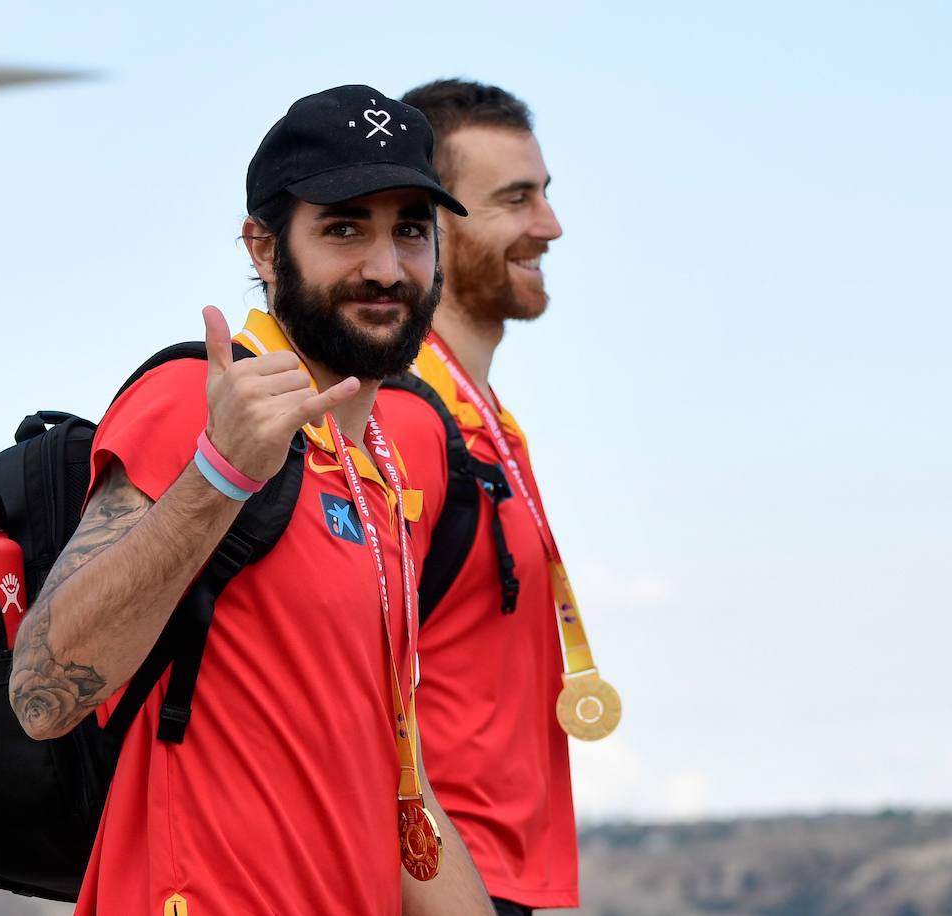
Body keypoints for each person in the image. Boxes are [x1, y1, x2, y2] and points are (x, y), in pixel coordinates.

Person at [8, 84, 493, 916]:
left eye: (410, 229)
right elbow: (42, 690)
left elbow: (391, 776)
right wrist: (221, 473)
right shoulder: (197, 401)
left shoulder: (377, 469)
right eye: (344, 228)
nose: (385, 267)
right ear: (264, 248)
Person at [377, 79, 612, 916]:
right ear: (431, 224)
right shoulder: (396, 423)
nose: (549, 225)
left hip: (490, 883)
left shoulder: (484, 423)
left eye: (546, 194)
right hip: (437, 884)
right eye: (517, 199)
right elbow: (358, 710)